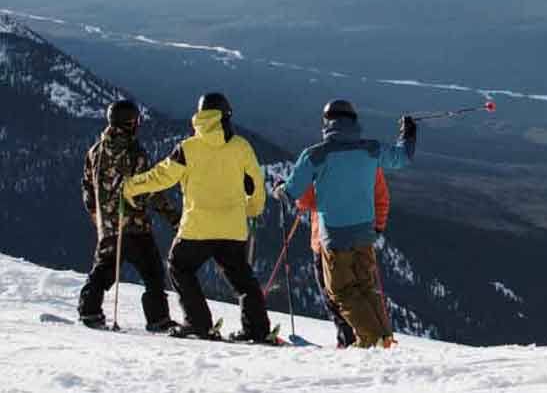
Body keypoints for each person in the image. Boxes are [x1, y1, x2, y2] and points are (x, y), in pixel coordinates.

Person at [123, 92, 273, 343]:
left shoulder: (188, 148)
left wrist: (130, 187)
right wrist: (252, 209)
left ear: (200, 117)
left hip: (197, 227)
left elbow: (161, 176)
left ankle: (198, 322)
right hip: (233, 228)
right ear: (226, 116)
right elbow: (256, 185)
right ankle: (257, 329)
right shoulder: (241, 146)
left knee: (180, 267)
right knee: (242, 278)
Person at [276, 99, 416, 348]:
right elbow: (402, 157)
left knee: (340, 291)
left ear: (326, 123)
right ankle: (384, 339)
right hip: (365, 233)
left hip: (334, 236)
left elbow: (293, 191)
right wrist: (408, 132)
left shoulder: (316, 155)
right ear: (353, 121)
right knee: (366, 287)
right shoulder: (371, 150)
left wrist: (279, 190)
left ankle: (369, 340)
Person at [78, 99, 180, 331]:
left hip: (109, 227)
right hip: (135, 226)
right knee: (152, 272)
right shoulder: (135, 152)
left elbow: (87, 186)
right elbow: (149, 189)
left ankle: (89, 310)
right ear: (131, 123)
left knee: (104, 269)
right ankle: (157, 319)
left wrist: (95, 212)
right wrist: (172, 216)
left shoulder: (95, 151)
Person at [295, 167, 390, 348]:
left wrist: (287, 189)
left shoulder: (321, 158)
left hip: (328, 240)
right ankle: (379, 337)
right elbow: (381, 197)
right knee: (364, 289)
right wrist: (377, 227)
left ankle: (352, 340)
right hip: (362, 238)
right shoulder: (369, 159)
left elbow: (307, 200)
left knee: (336, 294)